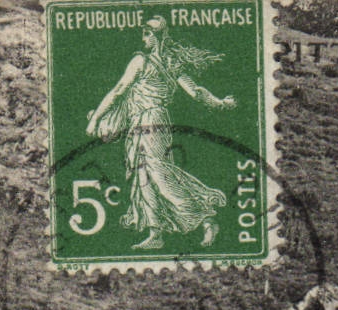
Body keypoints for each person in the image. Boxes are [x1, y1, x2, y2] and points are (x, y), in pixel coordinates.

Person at [85, 15, 236, 250]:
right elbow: (196, 92)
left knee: (158, 173)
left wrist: (95, 119)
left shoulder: (141, 60)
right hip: (147, 123)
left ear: (155, 37)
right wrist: (221, 103)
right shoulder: (172, 64)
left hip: (150, 121)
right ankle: (155, 233)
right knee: (143, 176)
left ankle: (205, 218)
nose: (143, 39)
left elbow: (118, 90)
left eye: (146, 34)